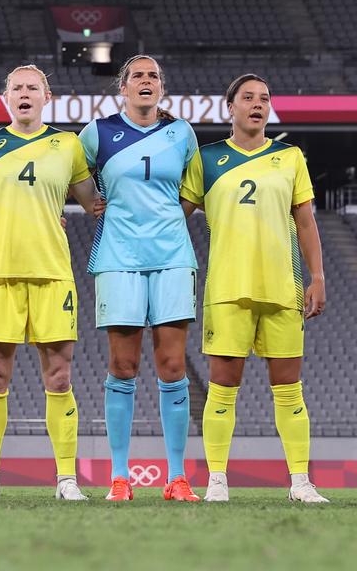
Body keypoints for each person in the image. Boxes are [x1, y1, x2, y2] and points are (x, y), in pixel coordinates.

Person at [179, 74, 328, 503]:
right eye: (248, 98)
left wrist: (317, 277)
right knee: (223, 387)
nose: (257, 104)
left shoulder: (290, 157)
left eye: (264, 99)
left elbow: (305, 221)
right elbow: (175, 216)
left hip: (283, 287)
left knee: (289, 389)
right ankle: (218, 482)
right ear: (231, 107)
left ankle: (301, 482)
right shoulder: (206, 159)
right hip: (227, 288)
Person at [0, 65, 100, 502]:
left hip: (52, 273)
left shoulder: (68, 145)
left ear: (47, 96)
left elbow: (95, 203)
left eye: (32, 88)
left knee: (59, 378)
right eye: (16, 88)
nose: (24, 93)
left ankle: (66, 480)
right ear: (5, 97)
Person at [80, 56, 201, 502]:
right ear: (123, 88)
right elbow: (72, 175)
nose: (145, 82)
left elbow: (190, 192)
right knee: (123, 367)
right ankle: (119, 477)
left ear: (161, 88)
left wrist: (167, 221)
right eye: (138, 76)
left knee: (172, 368)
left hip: (171, 258)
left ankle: (176, 477)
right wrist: (92, 200)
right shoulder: (97, 133)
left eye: (153, 76)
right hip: (118, 259)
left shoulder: (182, 133)